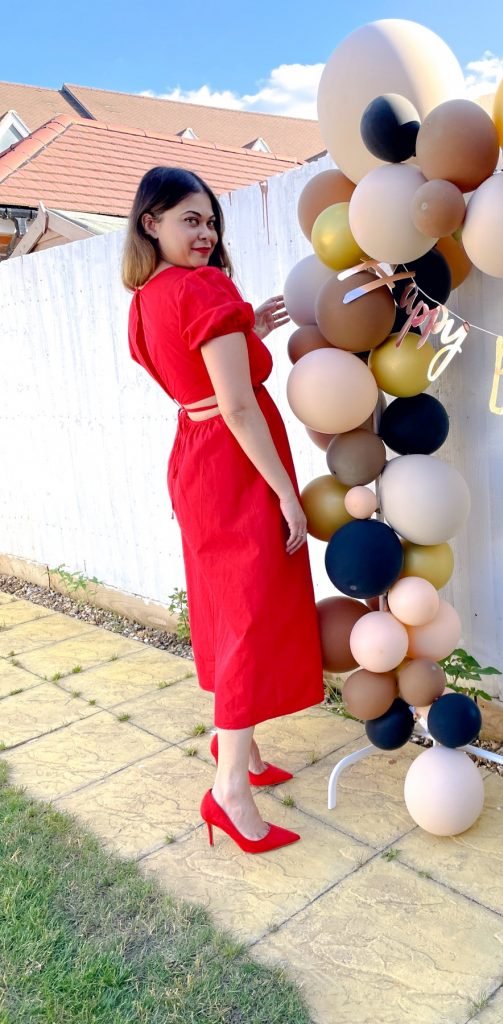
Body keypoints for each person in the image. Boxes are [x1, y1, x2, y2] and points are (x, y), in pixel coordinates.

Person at [121, 166, 324, 854]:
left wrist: (246, 328)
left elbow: (196, 376)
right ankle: (230, 790)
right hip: (236, 467)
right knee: (251, 613)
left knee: (225, 605)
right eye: (189, 219)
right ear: (151, 222)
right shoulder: (205, 288)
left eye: (210, 221)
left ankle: (242, 747)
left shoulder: (147, 296)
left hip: (195, 455)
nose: (205, 233)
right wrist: (284, 493)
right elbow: (237, 404)